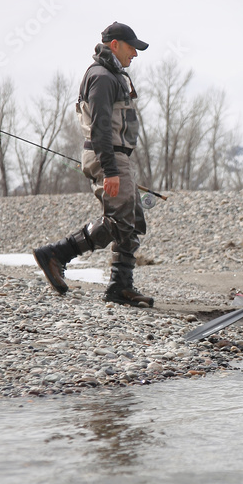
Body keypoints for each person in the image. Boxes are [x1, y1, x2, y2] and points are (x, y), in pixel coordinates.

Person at [33, 21, 153, 307]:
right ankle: (57, 254)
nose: (135, 54)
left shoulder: (112, 75)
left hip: (116, 156)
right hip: (108, 156)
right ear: (115, 45)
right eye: (132, 47)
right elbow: (100, 127)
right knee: (119, 221)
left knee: (133, 219)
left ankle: (120, 286)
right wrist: (111, 170)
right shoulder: (102, 76)